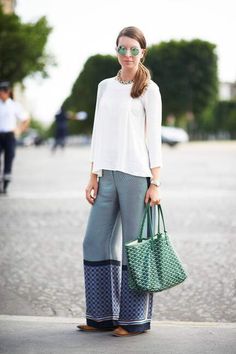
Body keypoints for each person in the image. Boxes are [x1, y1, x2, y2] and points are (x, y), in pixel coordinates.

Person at [77, 26, 163, 337]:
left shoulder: (149, 90)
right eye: (122, 49)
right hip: (106, 174)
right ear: (116, 50)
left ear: (143, 53)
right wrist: (93, 175)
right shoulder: (104, 87)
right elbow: (98, 133)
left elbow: (153, 138)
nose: (127, 55)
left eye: (133, 50)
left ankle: (133, 320)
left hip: (136, 176)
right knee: (95, 240)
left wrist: (155, 182)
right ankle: (101, 316)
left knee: (134, 247)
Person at [0, 81, 29, 194]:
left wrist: (19, 130)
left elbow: (25, 118)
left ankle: (5, 185)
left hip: (9, 135)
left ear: (7, 92)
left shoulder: (14, 105)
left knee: (9, 159)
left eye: (2, 92)